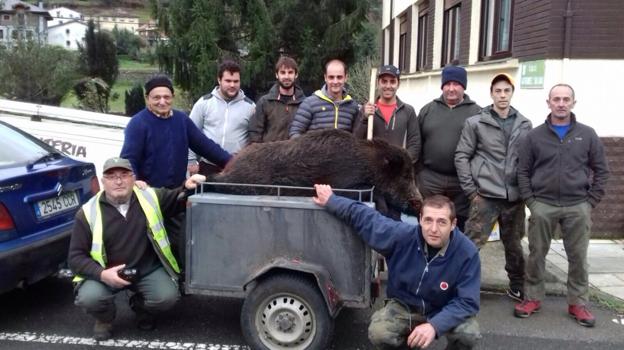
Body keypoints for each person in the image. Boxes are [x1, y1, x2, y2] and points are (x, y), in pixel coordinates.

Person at [313, 184, 481, 349]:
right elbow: (365, 217)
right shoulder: (401, 237)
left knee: (468, 334)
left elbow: (467, 301)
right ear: (420, 219)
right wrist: (332, 201)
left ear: (453, 224)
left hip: (443, 307)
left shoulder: (467, 252)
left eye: (442, 222)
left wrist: (434, 326)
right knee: (380, 333)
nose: (434, 229)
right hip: (404, 305)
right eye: (428, 220)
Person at [68, 157, 207, 341]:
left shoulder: (150, 196)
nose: (118, 181)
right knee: (90, 298)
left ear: (134, 178)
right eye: (112, 176)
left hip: (146, 269)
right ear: (103, 182)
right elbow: (75, 257)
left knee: (167, 297)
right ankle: (105, 318)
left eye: (124, 175)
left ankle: (140, 306)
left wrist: (187, 186)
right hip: (106, 273)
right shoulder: (87, 212)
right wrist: (102, 274)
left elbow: (176, 198)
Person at [515, 84, 609, 327]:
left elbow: (601, 171)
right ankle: (533, 297)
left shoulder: (587, 134)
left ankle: (578, 303)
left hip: (578, 205)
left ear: (573, 103)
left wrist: (590, 202)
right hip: (542, 205)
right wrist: (532, 203)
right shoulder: (534, 136)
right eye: (556, 99)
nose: (561, 103)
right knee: (536, 254)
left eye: (566, 99)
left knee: (578, 257)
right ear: (548, 103)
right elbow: (523, 172)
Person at [120, 75, 231, 270]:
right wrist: (134, 180)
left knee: (180, 244)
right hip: (148, 199)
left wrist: (233, 163)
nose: (162, 101)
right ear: (147, 99)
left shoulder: (181, 120)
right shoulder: (138, 124)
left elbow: (205, 146)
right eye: (156, 97)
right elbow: (128, 160)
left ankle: (177, 281)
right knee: (145, 248)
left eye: (166, 96)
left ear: (172, 96)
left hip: (176, 195)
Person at [455, 73, 532, 301]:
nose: (502, 95)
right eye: (498, 91)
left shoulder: (524, 124)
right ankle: (462, 288)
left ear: (512, 93)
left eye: (506, 91)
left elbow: (529, 160)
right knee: (470, 245)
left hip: (513, 198)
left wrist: (526, 192)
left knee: (514, 246)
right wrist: (471, 192)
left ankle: (517, 286)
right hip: (485, 196)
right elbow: (461, 156)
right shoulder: (476, 122)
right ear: (491, 94)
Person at [418, 65, 481, 231]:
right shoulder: (428, 110)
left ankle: (453, 254)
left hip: (462, 182)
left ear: (464, 86)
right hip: (431, 179)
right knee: (431, 221)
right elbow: (417, 142)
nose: (451, 89)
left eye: (456, 84)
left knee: (458, 222)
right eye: (447, 84)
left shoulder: (477, 112)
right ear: (442, 86)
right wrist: (419, 173)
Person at [354, 64, 421, 220]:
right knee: (370, 219)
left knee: (393, 220)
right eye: (384, 81)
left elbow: (415, 144)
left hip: (395, 181)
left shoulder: (407, 111)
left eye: (392, 81)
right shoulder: (367, 110)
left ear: (398, 83)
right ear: (378, 83)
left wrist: (402, 167)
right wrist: (364, 119)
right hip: (371, 177)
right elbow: (355, 142)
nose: (388, 86)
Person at [188, 60, 255, 176]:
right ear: (219, 80)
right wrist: (191, 160)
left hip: (237, 168)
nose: (232, 85)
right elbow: (189, 133)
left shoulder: (250, 107)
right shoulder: (204, 103)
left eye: (236, 81)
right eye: (228, 81)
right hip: (207, 166)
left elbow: (255, 139)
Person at [289, 58, 360, 138]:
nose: (335, 81)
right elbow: (295, 133)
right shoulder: (309, 103)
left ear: (346, 78)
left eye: (339, 77)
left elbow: (357, 136)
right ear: (325, 78)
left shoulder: (352, 107)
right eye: (331, 77)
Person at [248, 56, 306, 143]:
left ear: (296, 75)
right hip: (270, 154)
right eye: (283, 72)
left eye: (290, 72)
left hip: (296, 154)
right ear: (277, 75)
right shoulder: (265, 102)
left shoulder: (305, 103)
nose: (286, 76)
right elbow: (255, 133)